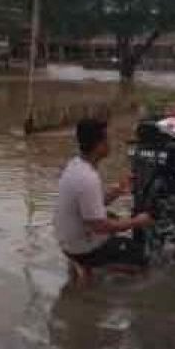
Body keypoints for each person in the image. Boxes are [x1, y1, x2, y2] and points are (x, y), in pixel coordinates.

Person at [54, 119, 153, 280]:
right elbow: (100, 226)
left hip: (65, 239)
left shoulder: (76, 165)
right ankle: (90, 275)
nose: (110, 143)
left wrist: (119, 191)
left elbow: (91, 206)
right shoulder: (88, 178)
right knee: (143, 258)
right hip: (79, 248)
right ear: (99, 145)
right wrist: (137, 221)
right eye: (107, 139)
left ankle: (81, 268)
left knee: (114, 218)